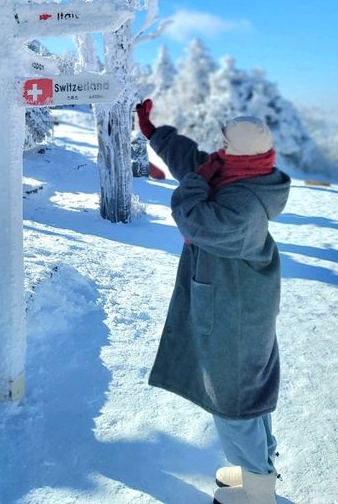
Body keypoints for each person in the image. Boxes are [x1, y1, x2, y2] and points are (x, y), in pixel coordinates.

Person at [135, 99, 290, 504]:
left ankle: (258, 491)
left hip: (235, 313)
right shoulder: (237, 172)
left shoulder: (243, 206)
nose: (217, 148)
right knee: (248, 392)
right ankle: (257, 467)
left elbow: (192, 215)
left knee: (233, 398)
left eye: (224, 143)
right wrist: (154, 132)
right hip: (234, 303)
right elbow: (195, 162)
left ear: (238, 151)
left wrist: (195, 181)